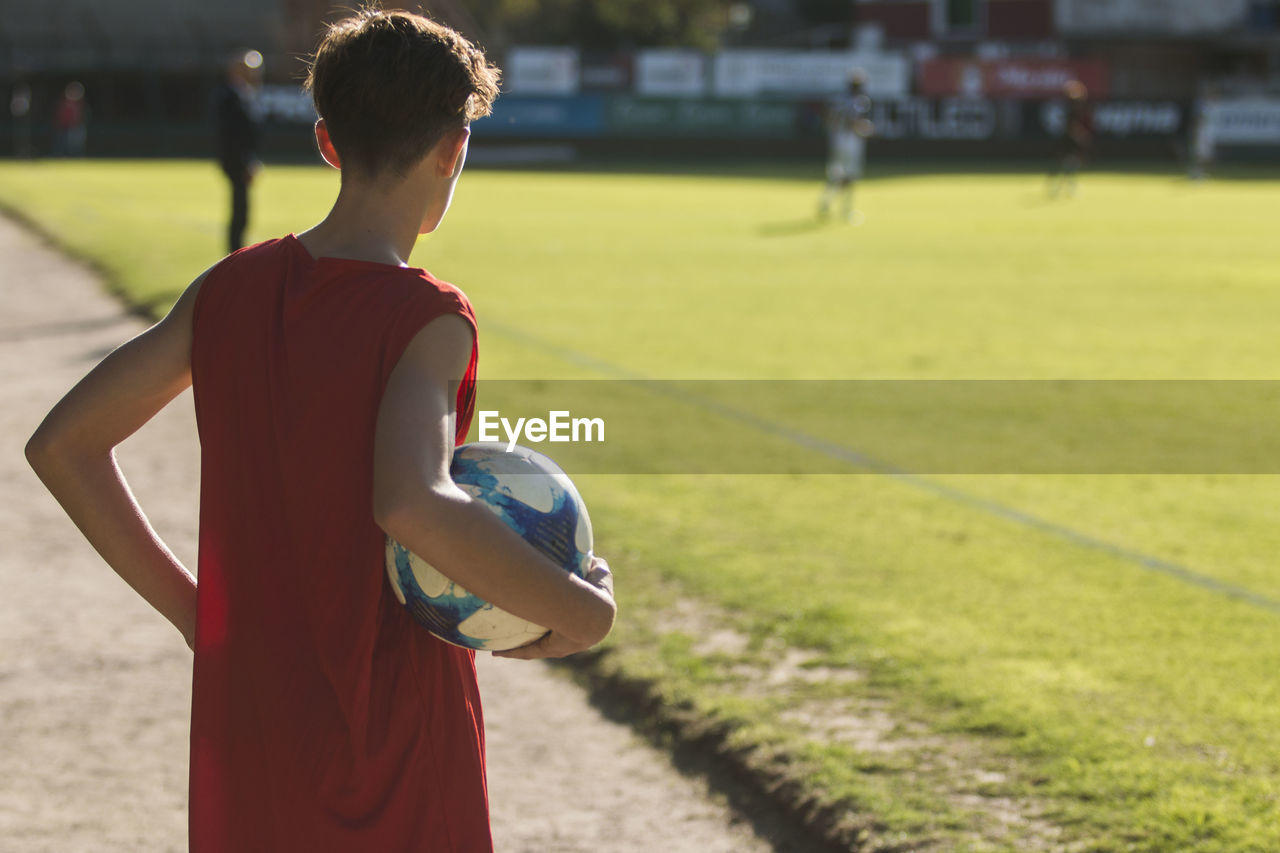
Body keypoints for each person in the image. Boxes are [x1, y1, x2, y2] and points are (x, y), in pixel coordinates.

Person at [26, 9, 616, 851]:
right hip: (388, 724)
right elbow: (412, 502)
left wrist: (198, 614)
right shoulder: (427, 315)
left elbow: (63, 446)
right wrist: (584, 615)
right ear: (456, 149)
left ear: (326, 143)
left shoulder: (227, 289)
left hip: (252, 712)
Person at [213, 50, 263, 253]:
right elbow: (232, 135)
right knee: (239, 211)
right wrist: (244, 162)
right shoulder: (229, 96)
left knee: (242, 210)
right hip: (236, 162)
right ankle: (234, 253)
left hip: (238, 160)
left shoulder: (242, 93)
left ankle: (236, 251)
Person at [818, 69, 874, 224]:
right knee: (850, 176)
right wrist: (866, 129)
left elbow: (828, 117)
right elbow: (854, 120)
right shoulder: (858, 101)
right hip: (851, 140)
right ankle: (846, 209)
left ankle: (825, 202)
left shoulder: (838, 98)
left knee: (836, 174)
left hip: (837, 138)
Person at [1048, 79, 1092, 198]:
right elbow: (1070, 125)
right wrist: (1079, 135)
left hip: (1069, 138)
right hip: (1068, 139)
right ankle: (1060, 186)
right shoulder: (1072, 106)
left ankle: (1064, 186)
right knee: (1067, 163)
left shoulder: (1075, 105)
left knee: (1069, 163)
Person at [53, 81, 89, 156]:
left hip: (76, 127)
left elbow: (83, 116)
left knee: (75, 144)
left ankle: (75, 156)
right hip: (63, 127)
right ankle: (61, 156)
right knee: (62, 143)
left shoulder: (80, 105)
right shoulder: (63, 103)